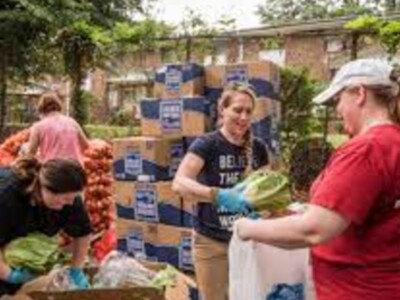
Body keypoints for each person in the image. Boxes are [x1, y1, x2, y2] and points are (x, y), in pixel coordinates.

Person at [235, 58, 400, 300]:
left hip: (358, 289)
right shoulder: (392, 142)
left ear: (359, 93)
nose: (337, 109)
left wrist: (247, 228)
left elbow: (312, 230)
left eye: (338, 100)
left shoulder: (366, 150)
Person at [172, 83, 269, 300]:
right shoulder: (207, 144)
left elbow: (266, 190)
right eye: (237, 109)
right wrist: (218, 195)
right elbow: (179, 183)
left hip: (248, 240)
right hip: (212, 243)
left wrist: (262, 211)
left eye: (248, 112)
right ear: (222, 110)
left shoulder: (259, 148)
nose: (243, 117)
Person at [0, 156, 92, 296]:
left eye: (74, 198)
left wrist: (76, 270)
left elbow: (83, 232)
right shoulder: (7, 197)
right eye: (66, 199)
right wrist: (8, 274)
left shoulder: (70, 199)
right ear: (47, 189)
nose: (70, 203)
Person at [27, 92, 89, 164]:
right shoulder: (73, 122)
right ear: (59, 106)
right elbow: (85, 145)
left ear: (42, 109)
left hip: (52, 169)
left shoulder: (38, 127)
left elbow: (30, 154)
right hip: (76, 168)